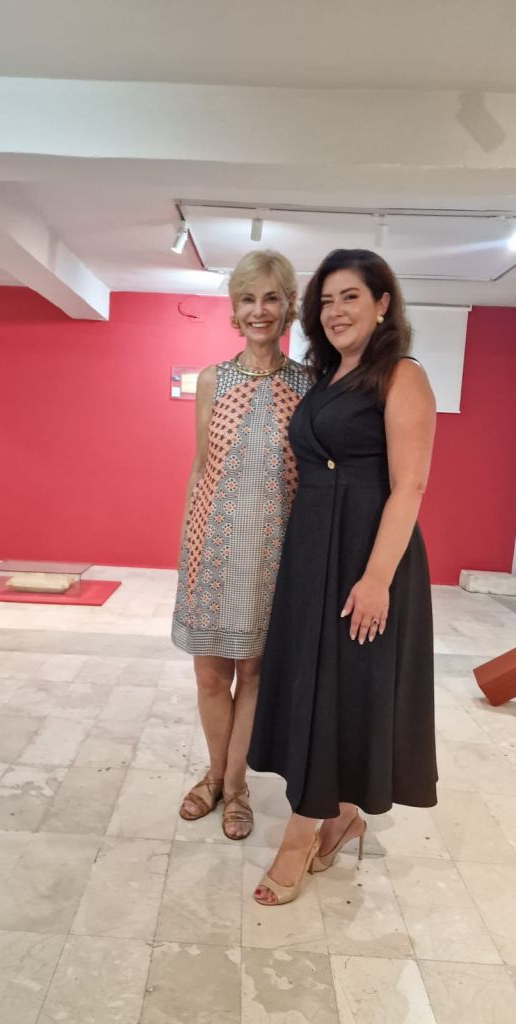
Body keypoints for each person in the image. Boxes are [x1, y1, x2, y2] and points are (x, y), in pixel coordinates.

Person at [248, 248, 438, 903]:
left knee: (345, 687)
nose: (335, 311)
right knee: (321, 685)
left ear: (383, 303)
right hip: (313, 550)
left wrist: (377, 579)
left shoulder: (402, 374)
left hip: (367, 552)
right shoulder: (328, 378)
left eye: (350, 296)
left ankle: (300, 835)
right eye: (325, 301)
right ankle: (342, 815)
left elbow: (410, 486)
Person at [172, 250, 310, 839]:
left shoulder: (307, 385)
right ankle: (213, 774)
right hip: (210, 546)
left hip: (270, 555)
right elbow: (201, 465)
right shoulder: (212, 380)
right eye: (248, 298)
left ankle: (234, 789)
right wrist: (187, 544)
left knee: (252, 675)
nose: (259, 310)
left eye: (271, 298)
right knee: (210, 674)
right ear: (235, 309)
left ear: (288, 308)